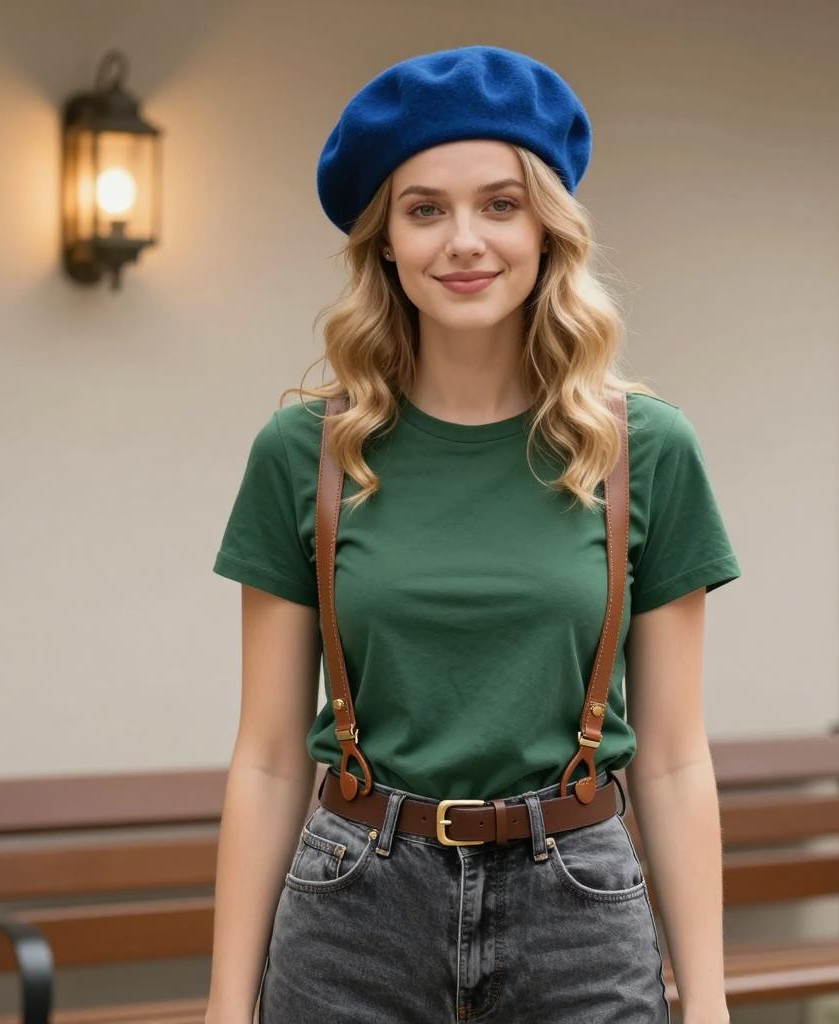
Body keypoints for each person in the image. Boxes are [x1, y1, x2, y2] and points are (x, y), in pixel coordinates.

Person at [205, 44, 741, 1024]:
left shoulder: (644, 451)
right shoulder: (303, 452)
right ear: (385, 242)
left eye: (500, 203)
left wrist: (705, 1004)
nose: (464, 240)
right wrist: (225, 1005)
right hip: (351, 909)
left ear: (547, 229)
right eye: (425, 209)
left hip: (577, 907)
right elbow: (273, 754)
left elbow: (670, 754)